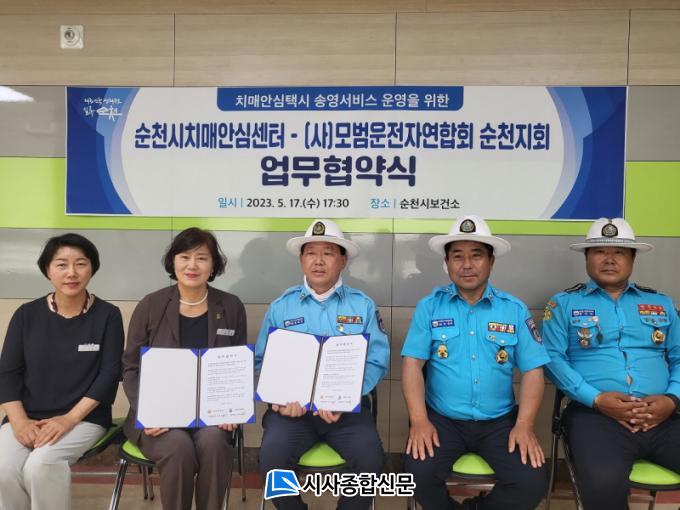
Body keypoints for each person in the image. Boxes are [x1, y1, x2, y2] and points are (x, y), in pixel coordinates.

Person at [401, 215, 549, 510]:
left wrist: (524, 425)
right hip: (443, 420)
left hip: (499, 423)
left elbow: (533, 370)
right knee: (416, 476)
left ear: (491, 261)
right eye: (458, 256)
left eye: (476, 255)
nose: (466, 264)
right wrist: (419, 420)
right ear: (447, 263)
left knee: (532, 483)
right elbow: (411, 364)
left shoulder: (513, 309)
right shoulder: (430, 307)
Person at [541, 217, 680, 510]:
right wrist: (597, 399)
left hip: (662, 416)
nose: (609, 259)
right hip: (595, 417)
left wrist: (672, 399)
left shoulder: (662, 303)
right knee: (602, 483)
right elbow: (552, 359)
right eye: (600, 251)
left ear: (632, 259)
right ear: (587, 257)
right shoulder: (563, 304)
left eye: (619, 252)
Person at [255, 218, 390, 510]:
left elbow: (377, 360)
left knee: (370, 459)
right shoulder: (281, 307)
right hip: (293, 413)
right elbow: (262, 361)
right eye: (311, 253)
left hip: (346, 411)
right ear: (301, 260)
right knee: (271, 459)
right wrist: (279, 400)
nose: (318, 261)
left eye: (328, 253)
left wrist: (345, 397)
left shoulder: (362, 305)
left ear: (343, 260)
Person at [122, 227, 247, 510]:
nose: (192, 265)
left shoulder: (230, 306)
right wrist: (146, 412)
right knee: (177, 448)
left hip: (211, 415)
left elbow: (239, 365)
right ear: (173, 261)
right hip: (158, 416)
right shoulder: (151, 305)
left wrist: (232, 409)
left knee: (215, 443)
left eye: (202, 258)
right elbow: (131, 367)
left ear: (213, 265)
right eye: (184, 256)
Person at [0, 233, 124, 510]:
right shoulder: (26, 314)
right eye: (61, 265)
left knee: (41, 465)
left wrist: (69, 419)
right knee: (3, 468)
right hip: (26, 416)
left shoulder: (108, 315)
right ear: (47, 270)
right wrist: (19, 422)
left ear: (92, 268)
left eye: (80, 263)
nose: (71, 273)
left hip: (84, 419)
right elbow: (7, 373)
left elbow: (109, 374)